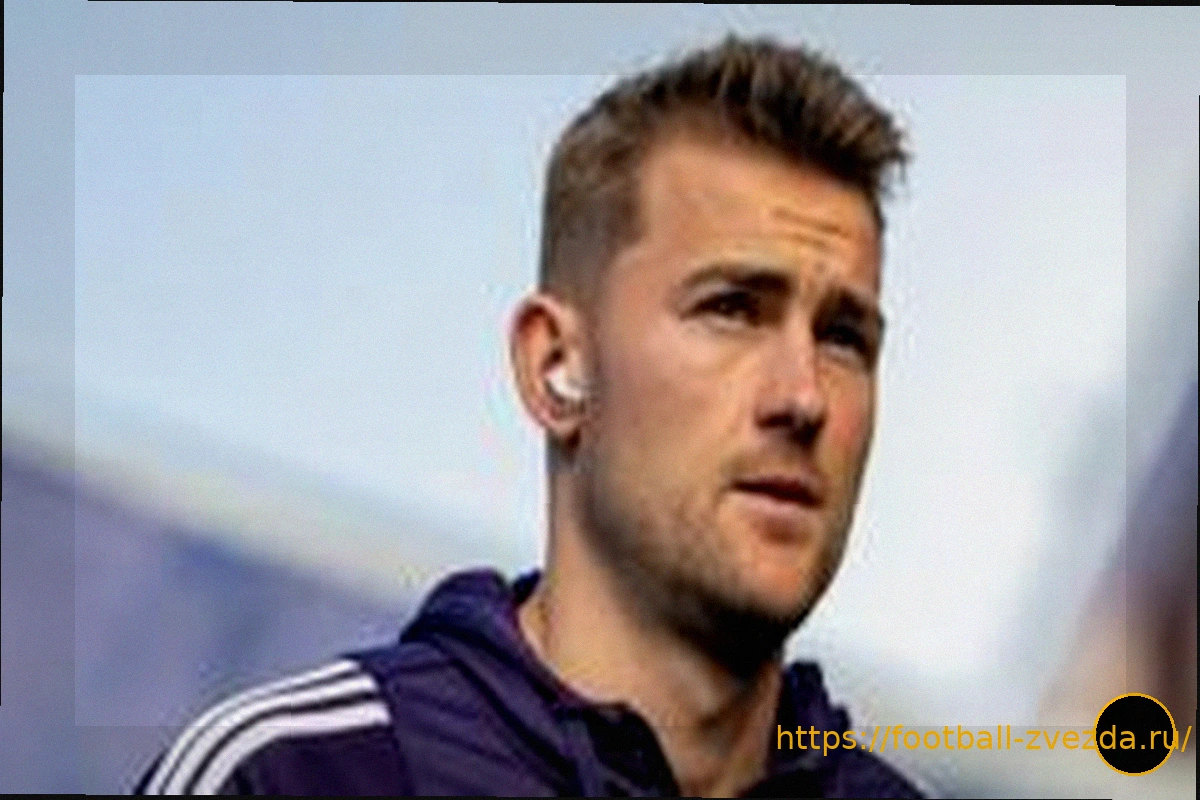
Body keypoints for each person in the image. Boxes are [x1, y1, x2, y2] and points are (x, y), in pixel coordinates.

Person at [135, 35, 920, 797]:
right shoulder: (289, 777)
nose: (804, 397)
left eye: (843, 337)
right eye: (732, 309)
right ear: (556, 369)